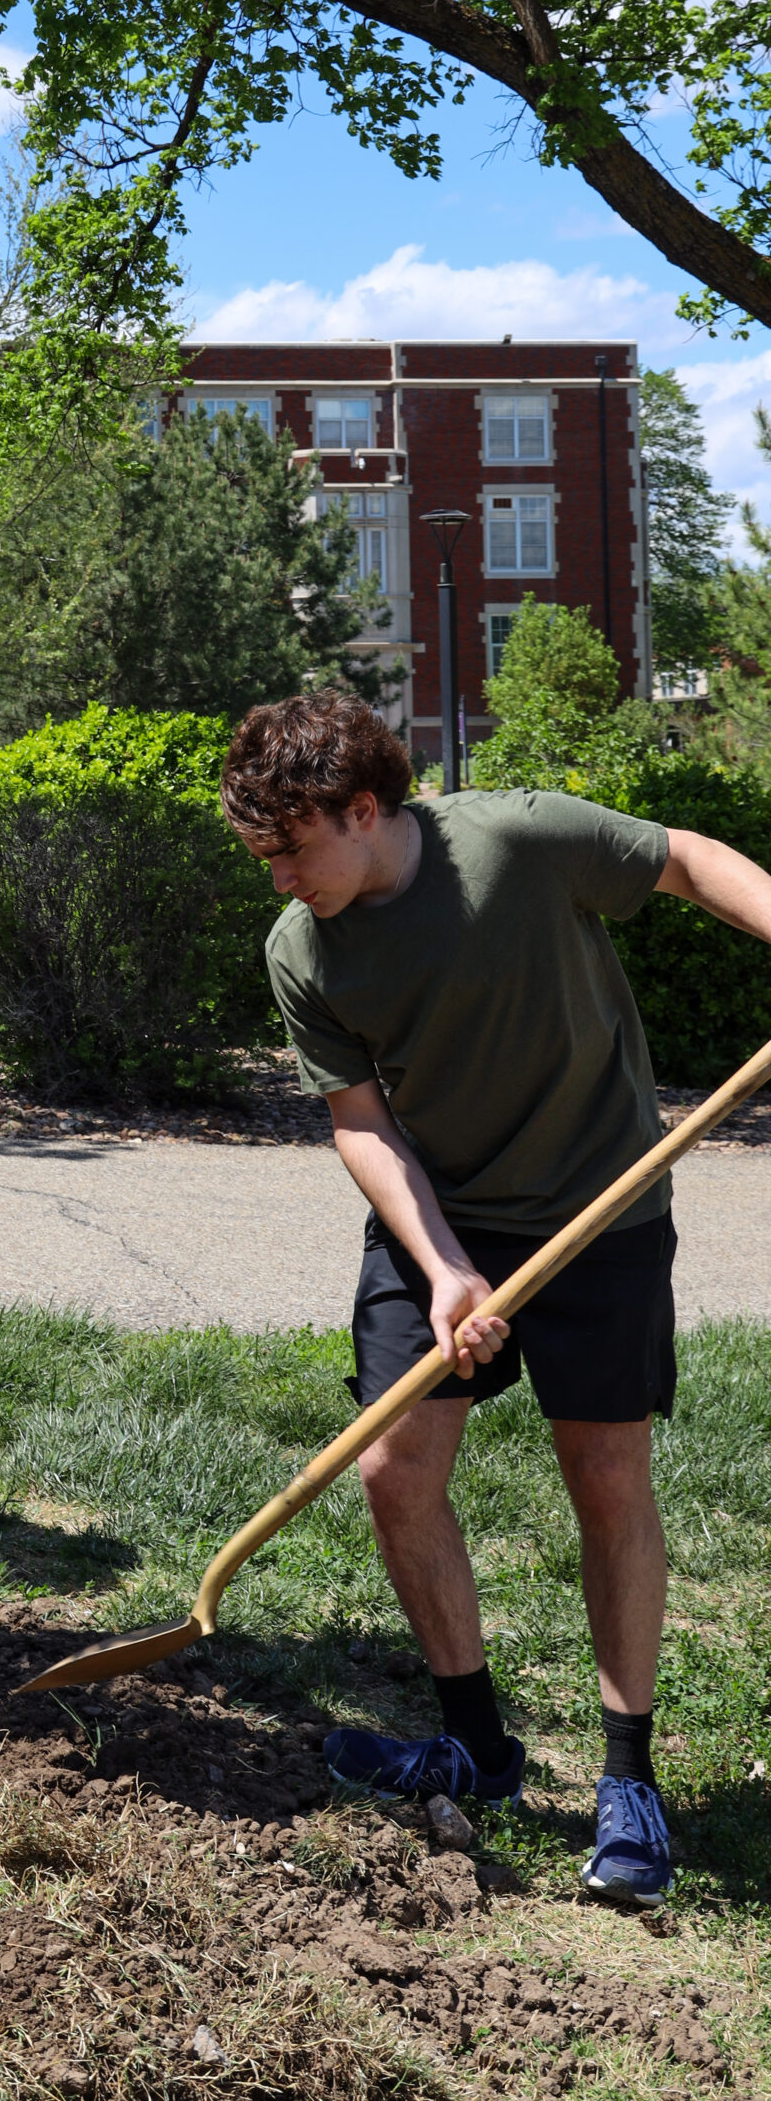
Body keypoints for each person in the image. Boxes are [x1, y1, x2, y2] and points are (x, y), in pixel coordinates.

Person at [220, 691, 771, 1907]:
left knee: (605, 1474)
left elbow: (682, 859)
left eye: (289, 849)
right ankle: (474, 1741)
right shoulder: (301, 951)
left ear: (364, 809)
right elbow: (359, 1126)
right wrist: (442, 1265)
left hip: (599, 1206)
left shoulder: (516, 842)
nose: (275, 880)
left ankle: (628, 1779)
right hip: (442, 1216)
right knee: (392, 1470)